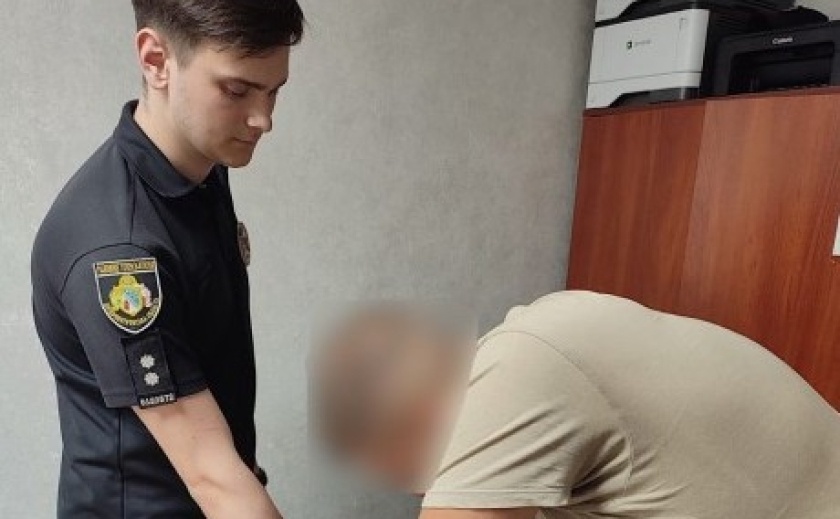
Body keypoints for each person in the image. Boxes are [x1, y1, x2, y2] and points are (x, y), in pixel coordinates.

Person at [31, 1, 304, 517]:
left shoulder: (200, 170)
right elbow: (211, 475)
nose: (263, 119)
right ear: (156, 60)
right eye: (237, 90)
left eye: (274, 91)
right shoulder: (119, 254)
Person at [311, 291, 840, 519]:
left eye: (417, 482)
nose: (427, 495)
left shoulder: (519, 369)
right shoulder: (545, 342)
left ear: (417, 419)